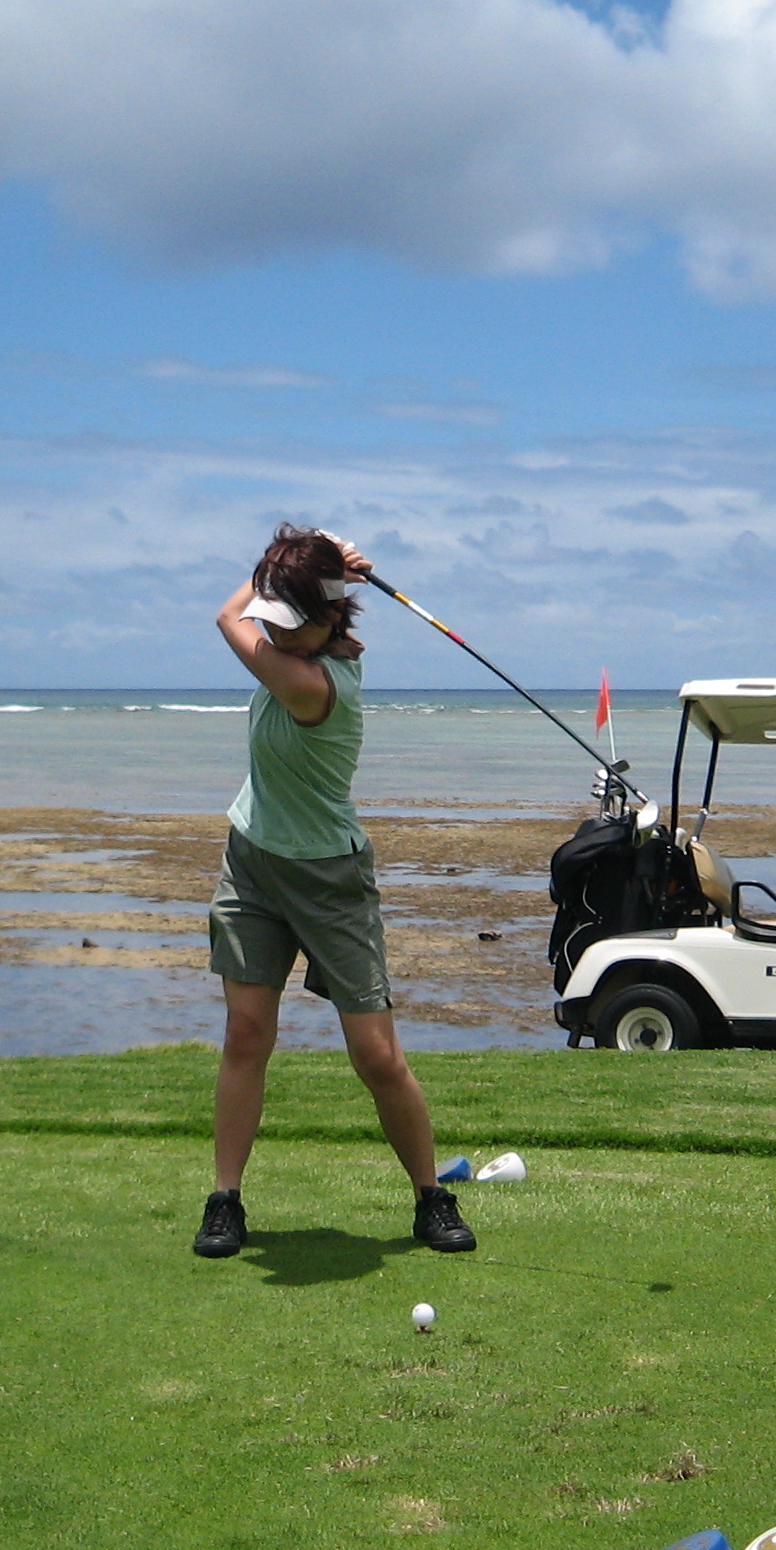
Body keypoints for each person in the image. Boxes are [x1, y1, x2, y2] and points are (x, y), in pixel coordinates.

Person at [194, 524, 475, 1258]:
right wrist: (317, 557)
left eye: (294, 624)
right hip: (252, 860)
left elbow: (229, 616)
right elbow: (260, 609)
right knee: (246, 1034)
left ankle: (429, 1196)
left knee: (376, 1056)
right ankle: (225, 1199)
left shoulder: (313, 683)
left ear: (328, 621)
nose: (277, 637)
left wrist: (316, 568)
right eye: (277, 622)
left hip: (330, 876)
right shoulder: (314, 641)